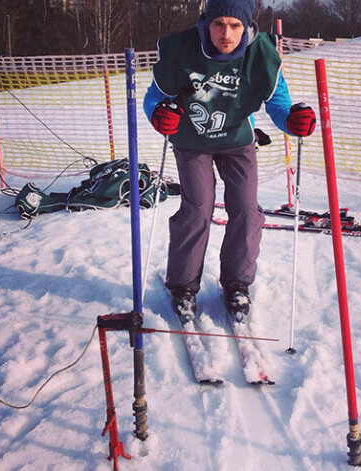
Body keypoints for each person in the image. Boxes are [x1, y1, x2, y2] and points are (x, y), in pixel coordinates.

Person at [143, 0, 316, 323]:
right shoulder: (183, 49)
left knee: (247, 209)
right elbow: (155, 96)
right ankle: (182, 285)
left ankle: (237, 283)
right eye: (219, 24)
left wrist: (291, 120)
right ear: (205, 23)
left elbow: (277, 102)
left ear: (247, 26)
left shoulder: (260, 53)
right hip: (192, 141)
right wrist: (158, 114)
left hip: (238, 140)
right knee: (197, 208)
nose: (226, 33)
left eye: (235, 26)